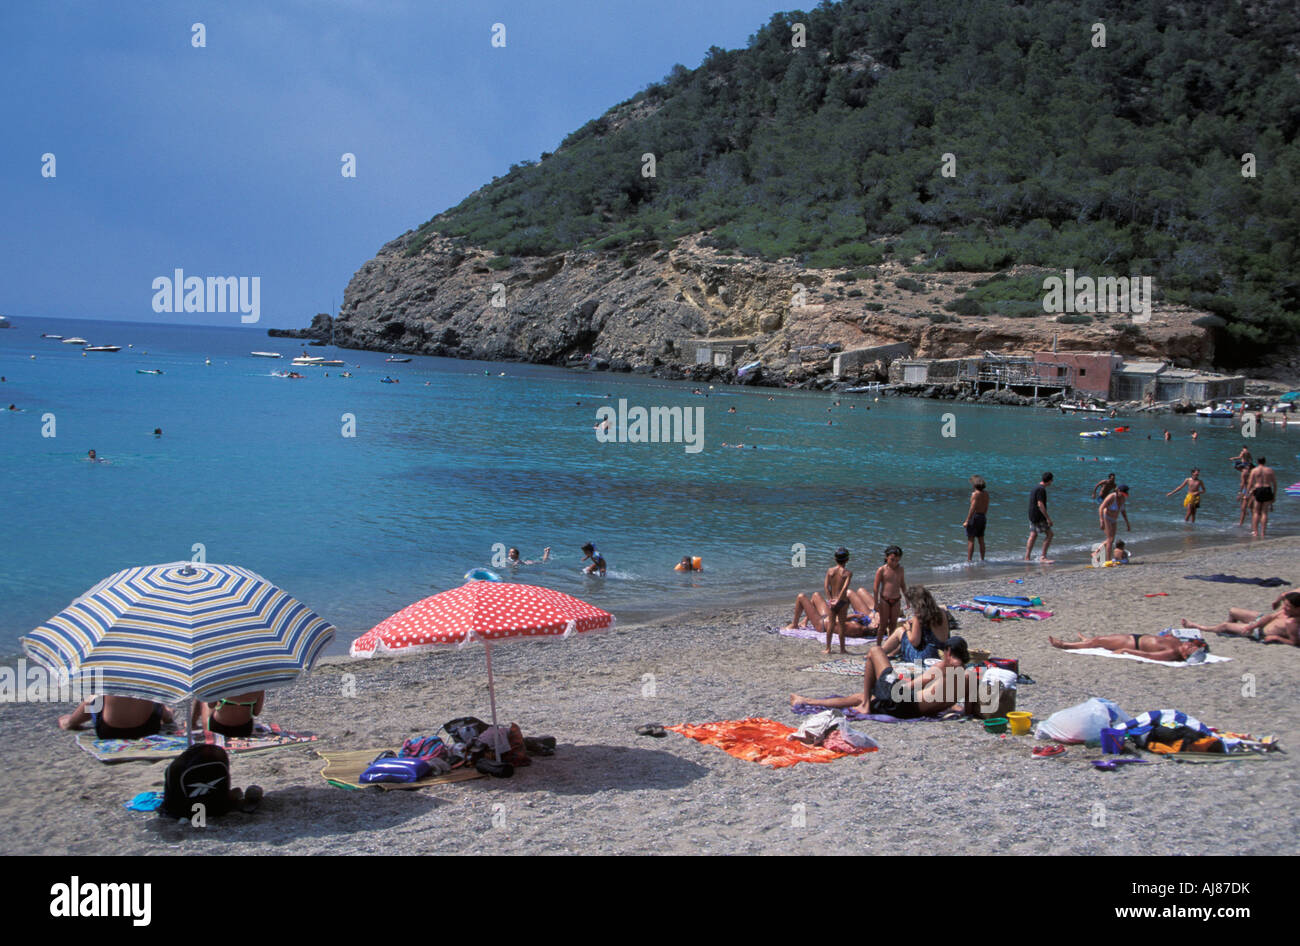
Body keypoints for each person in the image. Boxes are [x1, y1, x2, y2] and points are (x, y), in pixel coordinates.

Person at [790, 637, 971, 719]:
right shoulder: (967, 677)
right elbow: (967, 709)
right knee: (862, 695)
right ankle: (806, 700)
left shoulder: (944, 666)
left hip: (903, 701)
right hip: (909, 711)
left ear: (947, 652)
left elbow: (915, 684)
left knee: (874, 652)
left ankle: (866, 706)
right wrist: (953, 706)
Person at [1180, 592, 1300, 646]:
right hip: (1260, 622)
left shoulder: (1292, 622)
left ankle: (1197, 626)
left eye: (1288, 606)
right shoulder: (1285, 611)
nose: (1284, 607)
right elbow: (1270, 616)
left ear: (1297, 609)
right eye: (1285, 604)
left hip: (1260, 632)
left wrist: (1276, 637)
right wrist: (1254, 624)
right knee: (1233, 610)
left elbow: (1295, 642)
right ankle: (1228, 629)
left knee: (1224, 626)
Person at [881, 585, 950, 662]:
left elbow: (915, 642)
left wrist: (908, 629)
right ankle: (891, 654)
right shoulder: (942, 612)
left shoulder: (919, 616)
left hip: (926, 657)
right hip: (942, 651)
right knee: (905, 636)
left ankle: (880, 653)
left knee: (900, 631)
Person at [59, 694, 175, 738]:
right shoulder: (150, 667)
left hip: (110, 731)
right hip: (148, 729)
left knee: (95, 697)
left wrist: (72, 720)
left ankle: (71, 722)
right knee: (154, 696)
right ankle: (167, 714)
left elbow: (93, 701)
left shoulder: (112, 666)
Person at [1048, 633, 1208, 662]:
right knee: (1099, 640)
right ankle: (1085, 641)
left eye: (1191, 648)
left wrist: (1126, 651)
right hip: (1136, 637)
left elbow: (1148, 656)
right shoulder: (1178, 644)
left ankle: (1065, 645)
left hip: (1133, 643)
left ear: (1186, 655)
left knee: (1098, 641)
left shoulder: (1172, 652)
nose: (1190, 645)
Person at [782, 589, 878, 638]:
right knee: (816, 595)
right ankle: (804, 621)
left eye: (874, 623)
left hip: (821, 624)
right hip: (827, 618)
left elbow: (835, 621)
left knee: (801, 597)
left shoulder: (856, 628)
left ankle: (794, 624)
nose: (872, 621)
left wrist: (853, 615)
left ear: (875, 626)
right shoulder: (860, 627)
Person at [192, 691, 265, 738]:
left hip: (218, 728)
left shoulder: (222, 680)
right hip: (244, 729)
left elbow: (211, 705)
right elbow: (256, 712)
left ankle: (192, 724)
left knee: (201, 694)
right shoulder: (258, 685)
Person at [821, 548, 853, 654]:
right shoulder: (848, 573)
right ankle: (842, 649)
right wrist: (838, 600)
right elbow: (844, 588)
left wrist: (831, 599)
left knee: (831, 624)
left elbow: (826, 586)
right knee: (841, 625)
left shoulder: (830, 571)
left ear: (835, 559)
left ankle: (828, 648)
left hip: (832, 601)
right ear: (847, 559)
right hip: (842, 602)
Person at [872, 546, 906, 647]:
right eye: (892, 560)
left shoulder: (900, 569)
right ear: (886, 557)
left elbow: (902, 584)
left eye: (897, 560)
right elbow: (875, 588)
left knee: (893, 624)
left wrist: (907, 598)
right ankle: (878, 645)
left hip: (896, 600)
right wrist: (875, 603)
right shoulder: (882, 570)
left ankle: (889, 646)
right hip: (884, 600)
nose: (894, 562)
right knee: (883, 625)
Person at [1024, 472, 1055, 564]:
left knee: (1033, 535)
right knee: (1050, 534)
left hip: (1032, 514)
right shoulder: (1041, 489)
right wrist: (1048, 518)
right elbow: (1040, 504)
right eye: (1051, 480)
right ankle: (1043, 557)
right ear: (1049, 480)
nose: (1051, 482)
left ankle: (1027, 557)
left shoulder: (1035, 487)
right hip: (1038, 515)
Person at [1098, 484, 1131, 562]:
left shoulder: (1123, 498)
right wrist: (1101, 520)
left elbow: (1123, 511)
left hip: (1114, 519)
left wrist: (1127, 523)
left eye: (1124, 494)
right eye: (1122, 493)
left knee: (1111, 539)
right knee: (1110, 539)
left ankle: (1096, 552)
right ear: (1118, 491)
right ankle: (1108, 560)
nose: (1123, 495)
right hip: (1107, 517)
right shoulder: (1112, 497)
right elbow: (1101, 508)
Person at [1246, 457, 1277, 538]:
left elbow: (1250, 483)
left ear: (1257, 461)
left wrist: (1247, 494)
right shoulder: (1270, 470)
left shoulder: (1254, 470)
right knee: (1264, 512)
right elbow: (1275, 484)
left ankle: (1255, 532)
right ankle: (1263, 532)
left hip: (1258, 489)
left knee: (1256, 512)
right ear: (1265, 461)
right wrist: (1274, 495)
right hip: (1267, 489)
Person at [963, 475, 989, 563]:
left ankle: (969, 560)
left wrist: (967, 520)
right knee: (981, 539)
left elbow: (972, 508)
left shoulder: (975, 494)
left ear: (974, 485)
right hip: (982, 516)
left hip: (975, 517)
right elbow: (986, 507)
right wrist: (983, 515)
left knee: (971, 539)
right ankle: (982, 559)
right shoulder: (986, 494)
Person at [1237, 460, 1255, 526]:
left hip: (1249, 490)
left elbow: (1242, 484)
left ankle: (1242, 524)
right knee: (1246, 508)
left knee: (1246, 508)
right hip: (1248, 490)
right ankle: (1242, 523)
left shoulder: (1245, 473)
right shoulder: (1253, 473)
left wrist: (1239, 493)